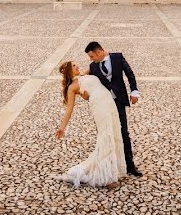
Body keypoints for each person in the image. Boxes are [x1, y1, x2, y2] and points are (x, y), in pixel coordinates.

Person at [55, 61, 126, 188]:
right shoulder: (72, 87)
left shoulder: (84, 75)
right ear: (69, 72)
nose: (77, 66)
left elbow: (97, 61)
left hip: (109, 102)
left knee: (115, 132)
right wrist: (62, 127)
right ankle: (107, 177)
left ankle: (115, 170)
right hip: (99, 106)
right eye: (74, 66)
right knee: (106, 135)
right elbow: (69, 109)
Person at [85, 41, 142, 177]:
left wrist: (134, 91)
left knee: (124, 132)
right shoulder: (93, 67)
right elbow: (85, 81)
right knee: (106, 134)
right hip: (105, 105)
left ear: (99, 52)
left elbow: (130, 74)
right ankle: (110, 166)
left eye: (92, 56)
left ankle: (130, 166)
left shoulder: (117, 57)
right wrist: (86, 94)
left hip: (119, 101)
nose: (90, 59)